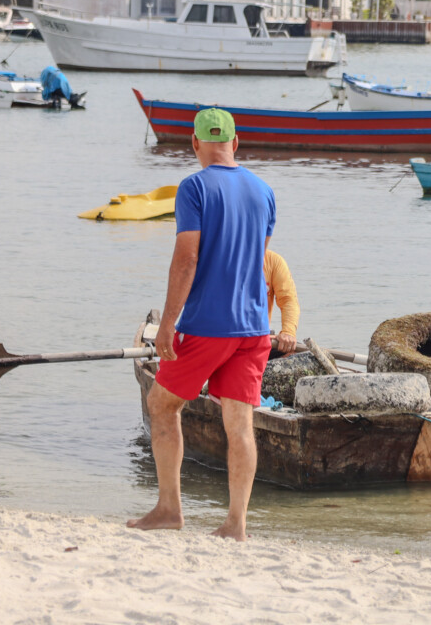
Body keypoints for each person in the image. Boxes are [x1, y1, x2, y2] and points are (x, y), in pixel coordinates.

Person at [127, 107, 276, 542]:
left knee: (161, 405)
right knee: (240, 424)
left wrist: (168, 323)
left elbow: (187, 257)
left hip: (209, 326)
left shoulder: (193, 187)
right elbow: (258, 260)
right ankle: (236, 525)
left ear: (194, 144)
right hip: (254, 329)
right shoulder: (264, 191)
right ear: (235, 142)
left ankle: (170, 509)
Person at [264, 249, 299, 354]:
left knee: (299, 355)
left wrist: (288, 332)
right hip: (223, 338)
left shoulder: (273, 261)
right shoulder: (217, 258)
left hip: (260, 338)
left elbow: (287, 300)